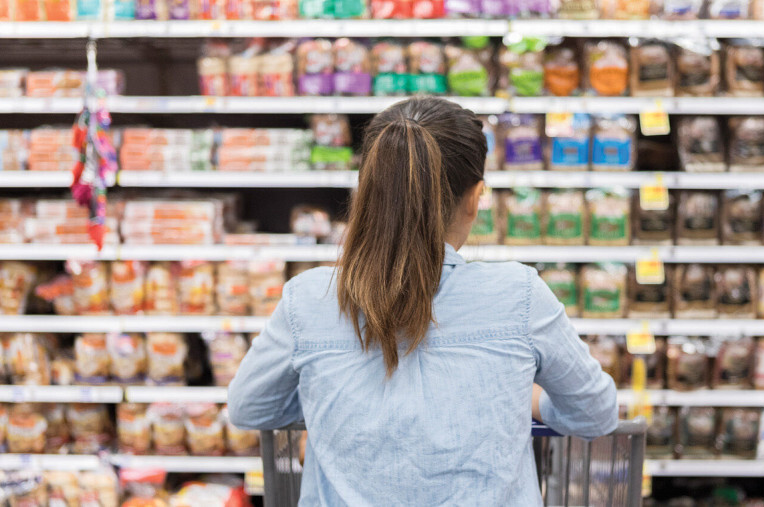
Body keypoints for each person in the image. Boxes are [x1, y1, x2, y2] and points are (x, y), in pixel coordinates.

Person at [227, 96, 618, 505]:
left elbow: (249, 408)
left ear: (369, 192)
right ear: (475, 196)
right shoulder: (519, 294)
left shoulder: (309, 298)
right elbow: (596, 413)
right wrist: (530, 398)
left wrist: (329, 413)